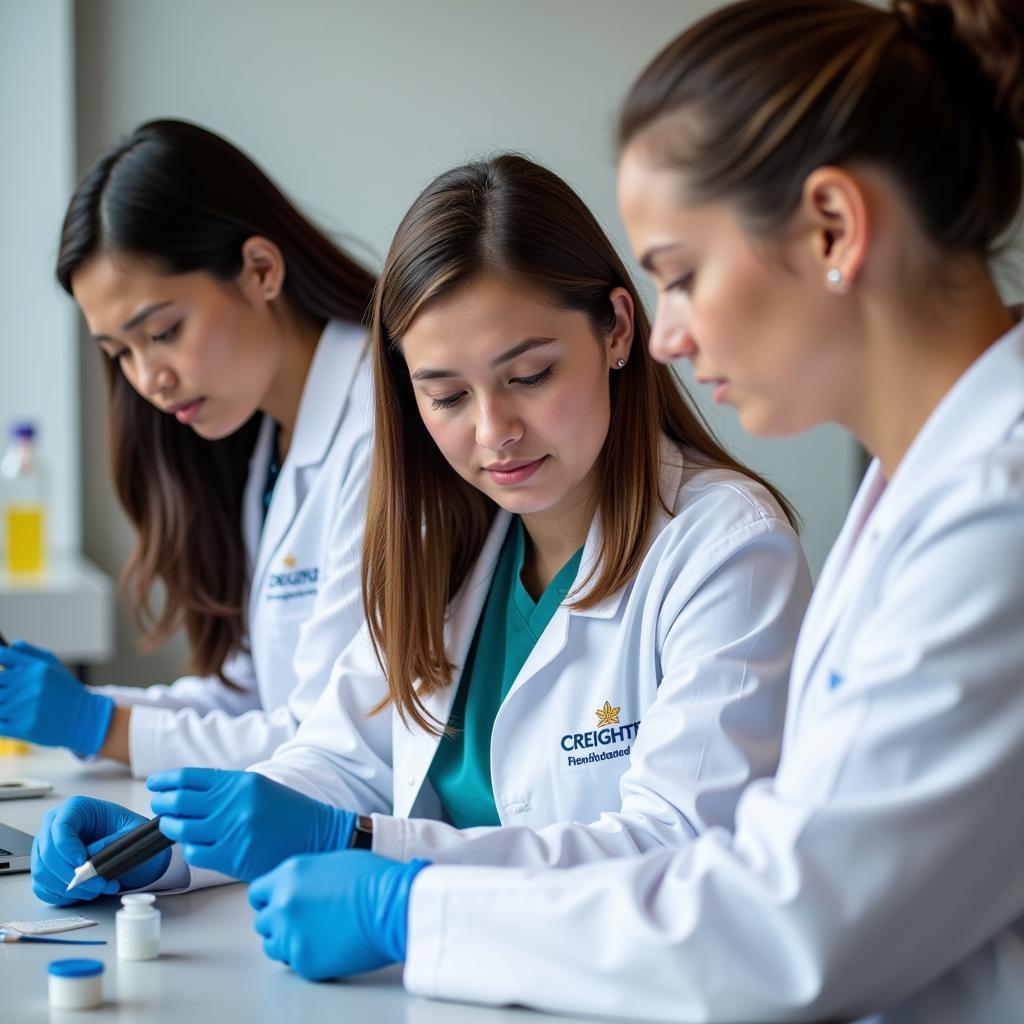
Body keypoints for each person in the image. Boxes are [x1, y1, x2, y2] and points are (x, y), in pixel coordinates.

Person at [238, 2, 1024, 1020]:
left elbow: (790, 922)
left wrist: (415, 906)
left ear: (832, 226)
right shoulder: (923, 486)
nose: (668, 337)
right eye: (444, 393)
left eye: (681, 277)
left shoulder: (990, 513)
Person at [31, 154, 810, 903]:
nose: (494, 431)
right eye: (446, 396)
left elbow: (674, 850)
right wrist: (159, 850)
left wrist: (370, 858)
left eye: (529, 376)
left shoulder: (725, 548)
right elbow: (338, 763)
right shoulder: (447, 538)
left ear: (614, 329)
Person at [0, 120, 376, 777]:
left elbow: (328, 739)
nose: (147, 380)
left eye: (164, 331)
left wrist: (95, 724)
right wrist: (77, 707)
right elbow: (245, 696)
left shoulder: (380, 425)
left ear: (260, 270)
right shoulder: (264, 439)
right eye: (120, 353)